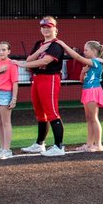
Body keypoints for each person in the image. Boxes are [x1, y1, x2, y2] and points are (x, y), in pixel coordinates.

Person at [15, 17, 69, 157]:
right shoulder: (39, 44)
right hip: (37, 79)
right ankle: (40, 144)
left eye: (49, 27)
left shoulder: (56, 45)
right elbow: (30, 59)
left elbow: (45, 61)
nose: (46, 29)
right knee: (40, 112)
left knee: (51, 112)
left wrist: (23, 65)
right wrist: (40, 50)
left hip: (49, 78)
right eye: (43, 27)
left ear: (55, 29)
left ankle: (59, 146)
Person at [54, 39, 103, 153]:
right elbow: (81, 80)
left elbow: (77, 57)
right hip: (87, 90)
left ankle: (98, 144)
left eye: (86, 50)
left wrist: (64, 45)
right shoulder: (89, 63)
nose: (84, 52)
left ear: (93, 51)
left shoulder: (95, 61)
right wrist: (83, 72)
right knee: (89, 119)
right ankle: (89, 144)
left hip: (93, 90)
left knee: (94, 118)